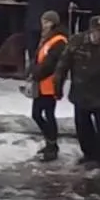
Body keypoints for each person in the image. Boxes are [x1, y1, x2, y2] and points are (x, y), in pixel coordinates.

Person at [55, 15, 100, 169]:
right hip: (81, 92)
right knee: (82, 127)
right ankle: (88, 155)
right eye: (99, 31)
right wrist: (57, 86)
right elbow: (63, 64)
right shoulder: (77, 41)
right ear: (92, 31)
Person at [28, 10, 68, 162]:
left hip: (50, 84)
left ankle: (52, 145)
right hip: (41, 83)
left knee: (46, 114)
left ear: (52, 23)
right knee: (38, 114)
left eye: (46, 22)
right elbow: (38, 57)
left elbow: (51, 63)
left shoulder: (59, 40)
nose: (43, 25)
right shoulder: (47, 38)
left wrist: (36, 74)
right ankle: (50, 143)